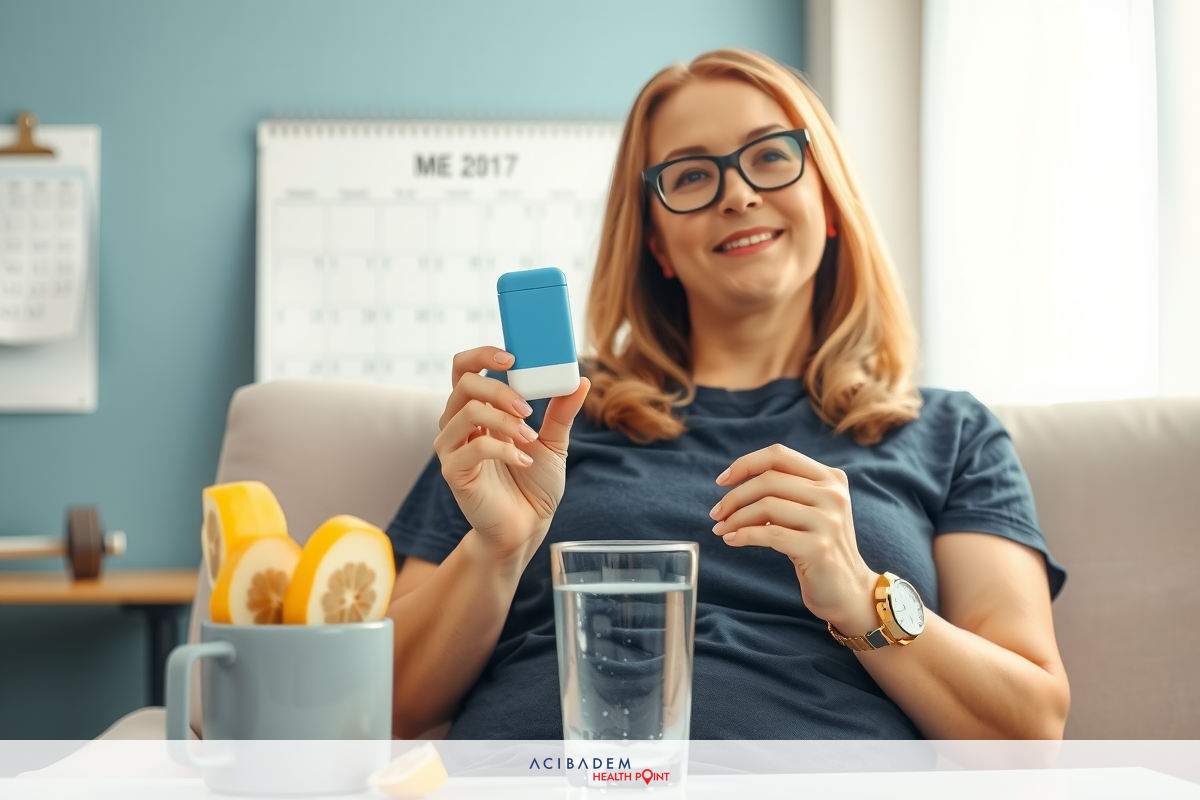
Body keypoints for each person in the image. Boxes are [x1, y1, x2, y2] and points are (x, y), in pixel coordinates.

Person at [383, 48, 1069, 740]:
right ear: (656, 242)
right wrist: (496, 549)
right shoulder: (527, 416)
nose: (737, 194)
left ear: (827, 200)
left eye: (770, 157)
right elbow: (387, 707)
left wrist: (861, 596)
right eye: (690, 175)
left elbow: (1030, 729)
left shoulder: (951, 433)